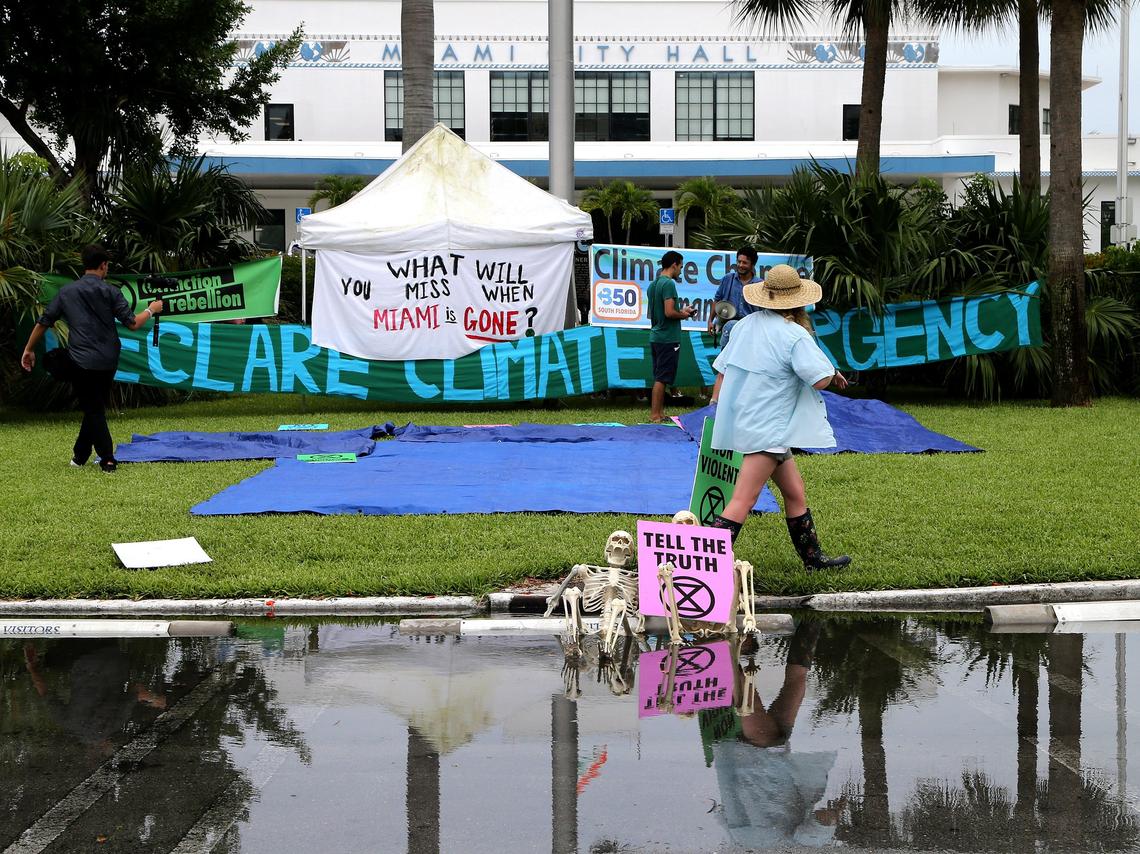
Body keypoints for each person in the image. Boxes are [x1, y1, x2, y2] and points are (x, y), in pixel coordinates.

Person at [708, 263, 851, 570]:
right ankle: (701, 565)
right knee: (743, 500)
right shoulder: (794, 334)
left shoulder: (745, 325)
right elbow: (818, 380)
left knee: (794, 492)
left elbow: (723, 367)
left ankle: (814, 559)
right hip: (770, 428)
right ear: (798, 301)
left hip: (753, 421)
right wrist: (831, 373)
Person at [20, 244, 163, 472]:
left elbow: (44, 321)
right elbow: (134, 324)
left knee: (93, 409)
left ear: (84, 265)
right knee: (94, 407)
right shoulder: (111, 291)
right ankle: (79, 457)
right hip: (108, 360)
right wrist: (152, 309)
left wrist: (28, 349)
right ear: (103, 265)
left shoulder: (67, 292)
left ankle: (107, 459)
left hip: (81, 361)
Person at [646, 250, 696, 423]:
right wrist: (684, 314)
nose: (681, 270)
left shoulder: (653, 285)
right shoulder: (668, 284)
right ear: (674, 264)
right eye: (681, 266)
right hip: (667, 338)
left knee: (660, 377)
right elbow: (669, 312)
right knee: (662, 378)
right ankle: (655, 415)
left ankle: (659, 413)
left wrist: (680, 312)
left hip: (656, 336)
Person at [707, 247, 760, 403]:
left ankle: (741, 400)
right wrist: (711, 320)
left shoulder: (759, 284)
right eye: (739, 261)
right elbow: (717, 300)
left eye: (745, 262)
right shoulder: (727, 279)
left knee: (748, 367)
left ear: (752, 264)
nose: (741, 265)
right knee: (726, 365)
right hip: (729, 329)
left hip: (751, 331)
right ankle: (717, 401)